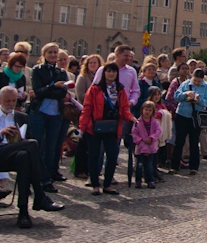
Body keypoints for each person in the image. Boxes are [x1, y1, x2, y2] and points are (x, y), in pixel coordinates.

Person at [0, 86, 65, 228]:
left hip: (15, 155)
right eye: (7, 101)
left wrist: (20, 140)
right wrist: (1, 134)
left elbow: (29, 144)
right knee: (32, 144)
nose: (11, 104)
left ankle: (23, 212)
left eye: (13, 101)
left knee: (25, 156)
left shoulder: (22, 117)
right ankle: (40, 193)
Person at [79, 62, 136, 195]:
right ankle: (95, 184)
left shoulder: (120, 89)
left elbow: (124, 109)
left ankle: (107, 184)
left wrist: (131, 118)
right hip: (95, 127)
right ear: (104, 73)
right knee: (94, 155)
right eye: (108, 71)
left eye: (114, 71)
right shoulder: (95, 88)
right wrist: (82, 127)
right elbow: (87, 108)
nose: (111, 74)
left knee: (112, 155)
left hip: (112, 127)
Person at [29, 42, 69, 192]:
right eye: (50, 52)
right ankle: (34, 176)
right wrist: (53, 87)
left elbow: (62, 93)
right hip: (39, 111)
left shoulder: (61, 72)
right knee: (37, 145)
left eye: (55, 52)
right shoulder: (37, 70)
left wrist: (52, 90)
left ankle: (47, 178)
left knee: (51, 147)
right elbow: (37, 91)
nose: (53, 55)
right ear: (44, 54)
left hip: (55, 113)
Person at [171, 68, 207, 175]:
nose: (197, 83)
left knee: (194, 142)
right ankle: (174, 166)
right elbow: (176, 97)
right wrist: (186, 94)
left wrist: (199, 101)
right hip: (182, 114)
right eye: (195, 80)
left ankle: (194, 167)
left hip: (195, 116)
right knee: (179, 141)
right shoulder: (185, 84)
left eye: (199, 81)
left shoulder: (206, 86)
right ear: (192, 77)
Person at [132, 101, 161, 189]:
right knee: (139, 165)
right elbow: (134, 133)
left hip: (151, 147)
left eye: (150, 110)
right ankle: (138, 180)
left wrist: (152, 137)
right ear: (142, 110)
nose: (147, 112)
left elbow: (158, 131)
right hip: (141, 147)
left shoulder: (155, 122)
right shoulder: (138, 122)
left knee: (149, 165)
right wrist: (140, 140)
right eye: (146, 109)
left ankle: (150, 180)